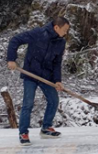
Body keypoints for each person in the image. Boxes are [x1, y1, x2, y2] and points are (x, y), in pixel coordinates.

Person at [6, 17, 70, 146]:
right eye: (65, 30)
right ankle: (23, 133)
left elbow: (57, 63)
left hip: (46, 77)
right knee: (28, 104)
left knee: (53, 100)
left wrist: (57, 80)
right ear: (56, 27)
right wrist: (11, 59)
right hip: (30, 74)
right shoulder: (38, 34)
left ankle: (46, 128)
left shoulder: (60, 42)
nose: (66, 33)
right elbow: (15, 40)